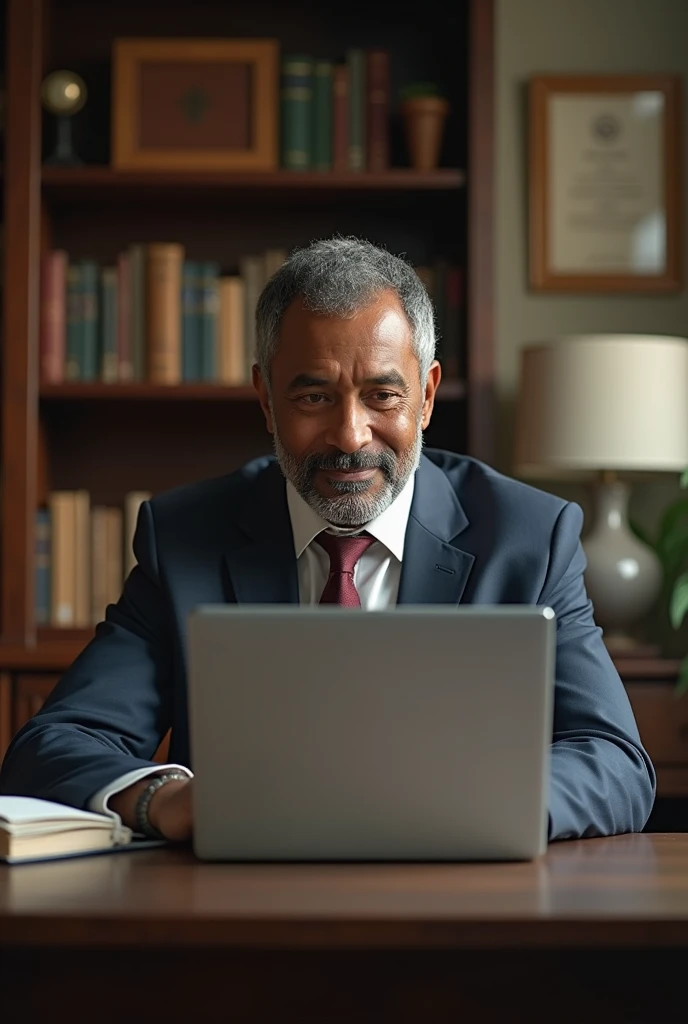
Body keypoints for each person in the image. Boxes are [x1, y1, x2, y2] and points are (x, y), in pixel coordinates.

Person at [0, 237, 655, 843]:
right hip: (243, 914)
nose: (350, 435)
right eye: (314, 397)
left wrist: (476, 805)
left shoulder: (530, 536)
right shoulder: (185, 536)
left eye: (382, 395)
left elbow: (616, 763)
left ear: (426, 396)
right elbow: (56, 743)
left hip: (462, 900)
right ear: (265, 399)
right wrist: (164, 798)